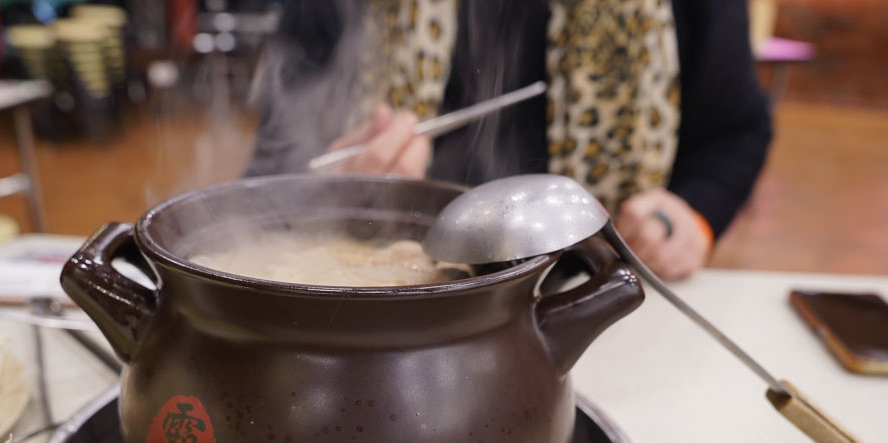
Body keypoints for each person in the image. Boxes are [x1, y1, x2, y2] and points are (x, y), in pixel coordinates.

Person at [245, 0, 772, 280]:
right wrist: (328, 188)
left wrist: (692, 217)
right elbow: (270, 167)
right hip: (385, 290)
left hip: (601, 288)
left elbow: (736, 132)